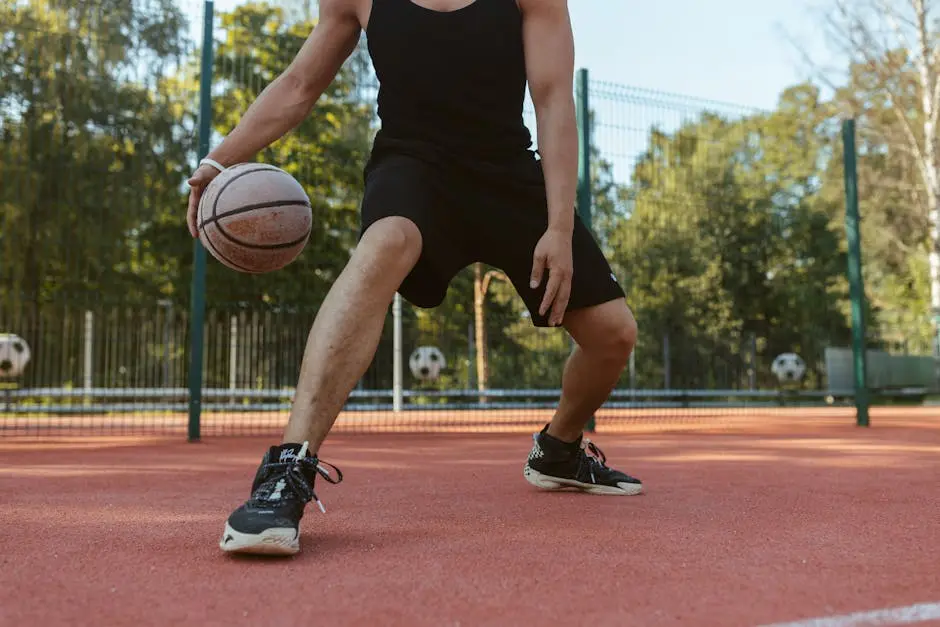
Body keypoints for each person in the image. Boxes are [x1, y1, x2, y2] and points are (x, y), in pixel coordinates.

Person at [187, 0, 643, 557]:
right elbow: (300, 83)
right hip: (411, 168)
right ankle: (286, 469)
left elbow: (551, 101)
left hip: (507, 175)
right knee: (386, 242)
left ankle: (559, 449)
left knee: (613, 334)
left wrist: (558, 228)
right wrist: (217, 161)